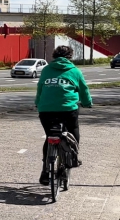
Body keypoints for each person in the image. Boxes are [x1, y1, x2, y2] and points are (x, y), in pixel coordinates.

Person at [35, 45, 92, 184]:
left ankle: (45, 170)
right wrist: (87, 102)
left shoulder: (46, 69)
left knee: (50, 136)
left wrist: (38, 103)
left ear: (54, 56)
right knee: (73, 131)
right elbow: (83, 90)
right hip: (68, 110)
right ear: (70, 57)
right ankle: (72, 159)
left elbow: (40, 88)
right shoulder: (75, 71)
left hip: (46, 110)